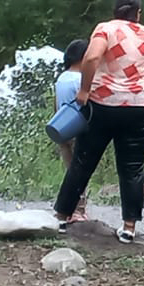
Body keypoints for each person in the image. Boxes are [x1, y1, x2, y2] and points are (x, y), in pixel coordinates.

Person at [55, 0, 144, 242]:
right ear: (138, 14)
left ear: (115, 11)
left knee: (83, 160)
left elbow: (91, 57)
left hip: (105, 104)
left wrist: (84, 90)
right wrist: (142, 91)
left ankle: (61, 217)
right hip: (141, 107)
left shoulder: (106, 29)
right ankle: (129, 227)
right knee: (132, 168)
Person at [53, 39, 89, 221]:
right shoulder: (81, 80)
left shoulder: (62, 78)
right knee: (80, 171)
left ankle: (70, 210)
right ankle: (77, 210)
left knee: (71, 169)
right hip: (78, 130)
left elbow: (56, 104)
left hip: (61, 129)